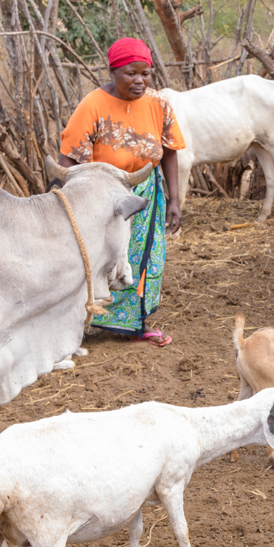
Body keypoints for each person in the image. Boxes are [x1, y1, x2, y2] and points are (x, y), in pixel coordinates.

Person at [58, 37, 184, 346]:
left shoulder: (158, 104)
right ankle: (80, 323)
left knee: (146, 256)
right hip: (102, 194)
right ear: (113, 71)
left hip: (146, 193)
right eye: (131, 73)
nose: (140, 81)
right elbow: (68, 156)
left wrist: (175, 199)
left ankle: (134, 322)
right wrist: (73, 200)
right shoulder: (93, 104)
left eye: (146, 73)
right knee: (101, 256)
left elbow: (169, 151)